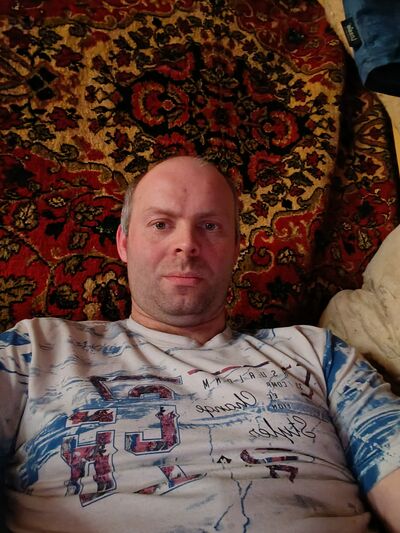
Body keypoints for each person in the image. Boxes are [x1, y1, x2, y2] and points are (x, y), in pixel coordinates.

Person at [0, 155, 399, 533]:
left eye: (209, 226)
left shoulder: (318, 354)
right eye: (161, 224)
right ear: (123, 242)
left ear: (237, 246)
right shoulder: (34, 350)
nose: (186, 244)